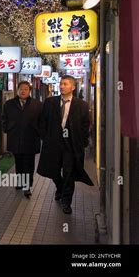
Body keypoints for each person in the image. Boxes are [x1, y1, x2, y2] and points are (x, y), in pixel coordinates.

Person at [37, 75, 93, 214]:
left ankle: (66, 202)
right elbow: (42, 121)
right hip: (53, 144)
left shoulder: (82, 105)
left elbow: (85, 126)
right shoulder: (50, 102)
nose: (62, 86)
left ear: (73, 87)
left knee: (69, 173)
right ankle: (60, 187)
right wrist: (45, 137)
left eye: (65, 84)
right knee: (54, 171)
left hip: (71, 145)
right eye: (61, 83)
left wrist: (82, 142)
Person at [1, 81, 43, 198]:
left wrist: (39, 132)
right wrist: (7, 129)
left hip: (31, 139)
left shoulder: (37, 105)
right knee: (18, 162)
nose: (23, 91)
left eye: (26, 89)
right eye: (21, 89)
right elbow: (4, 118)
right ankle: (20, 182)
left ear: (30, 91)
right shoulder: (9, 104)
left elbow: (42, 121)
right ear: (17, 90)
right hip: (15, 138)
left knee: (29, 163)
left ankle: (27, 186)